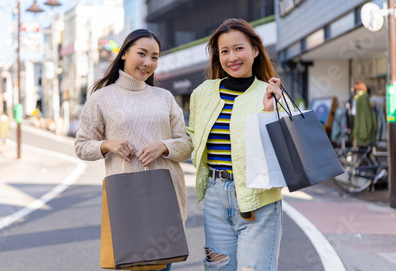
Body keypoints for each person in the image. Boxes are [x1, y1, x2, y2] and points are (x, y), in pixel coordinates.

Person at [74, 29, 193, 271]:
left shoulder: (165, 97)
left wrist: (164, 147)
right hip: (126, 197)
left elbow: (187, 145)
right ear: (125, 53)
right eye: (142, 54)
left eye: (155, 57)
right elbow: (82, 146)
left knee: (162, 266)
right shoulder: (101, 98)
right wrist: (108, 145)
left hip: (166, 198)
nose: (148, 63)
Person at [186, 18, 284, 270]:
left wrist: (268, 110)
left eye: (239, 48)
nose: (232, 57)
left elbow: (278, 152)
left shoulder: (268, 92)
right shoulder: (203, 92)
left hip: (258, 199)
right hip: (215, 198)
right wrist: (163, 145)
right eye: (224, 51)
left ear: (254, 50)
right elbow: (191, 139)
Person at [350, 80, 377, 147]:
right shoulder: (359, 98)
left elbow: (366, 115)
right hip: (363, 131)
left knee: (362, 152)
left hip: (362, 131)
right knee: (363, 152)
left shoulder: (360, 97)